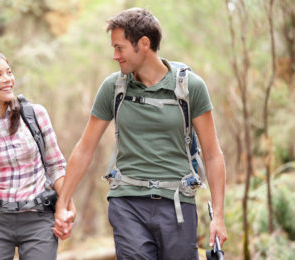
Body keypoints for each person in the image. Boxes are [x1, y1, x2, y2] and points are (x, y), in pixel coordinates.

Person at [53, 8, 227, 259]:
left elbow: (212, 155)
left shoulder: (190, 87)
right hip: (127, 203)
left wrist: (218, 217)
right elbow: (85, 147)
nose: (114, 56)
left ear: (144, 43)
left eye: (120, 48)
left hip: (177, 204)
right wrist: (63, 201)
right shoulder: (113, 87)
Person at [0, 51, 75, 260]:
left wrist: (65, 207)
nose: (8, 79)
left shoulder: (35, 115)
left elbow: (55, 166)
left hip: (38, 217)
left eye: (9, 72)